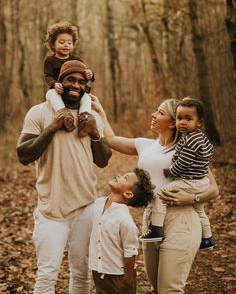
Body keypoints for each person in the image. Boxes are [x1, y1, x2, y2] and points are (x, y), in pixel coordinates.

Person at [90, 96, 219, 293]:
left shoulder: (187, 149)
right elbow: (111, 139)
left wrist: (191, 198)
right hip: (151, 221)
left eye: (160, 112)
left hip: (181, 220)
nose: (153, 114)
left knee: (169, 289)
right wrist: (101, 111)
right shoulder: (145, 145)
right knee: (156, 288)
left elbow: (213, 189)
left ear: (174, 122)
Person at [16, 60, 112, 294]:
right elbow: (23, 154)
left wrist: (95, 132)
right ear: (59, 83)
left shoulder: (90, 117)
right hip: (51, 209)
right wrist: (53, 127)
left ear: (86, 86)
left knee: (81, 274)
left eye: (81, 81)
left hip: (86, 207)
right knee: (47, 275)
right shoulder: (39, 112)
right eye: (70, 79)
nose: (76, 85)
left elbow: (103, 160)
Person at [140, 98, 215, 250]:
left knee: (161, 193)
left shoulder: (191, 141)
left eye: (188, 119)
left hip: (190, 180)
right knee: (200, 210)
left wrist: (170, 171)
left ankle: (156, 228)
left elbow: (183, 163)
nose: (182, 122)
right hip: (200, 181)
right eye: (179, 118)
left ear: (199, 122)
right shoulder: (199, 138)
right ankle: (207, 239)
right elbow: (209, 153)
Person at [89, 168, 155, 294]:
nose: (119, 175)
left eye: (125, 178)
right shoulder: (98, 204)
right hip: (99, 269)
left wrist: (126, 281)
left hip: (119, 275)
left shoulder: (125, 221)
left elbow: (130, 253)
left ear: (128, 194)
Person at [44, 21, 95, 136]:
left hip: (74, 91)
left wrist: (89, 74)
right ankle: (64, 115)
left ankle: (84, 119)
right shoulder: (50, 60)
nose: (66, 45)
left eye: (69, 42)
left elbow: (84, 73)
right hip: (59, 90)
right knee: (51, 95)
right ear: (53, 44)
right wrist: (54, 84)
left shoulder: (76, 59)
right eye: (62, 42)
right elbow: (48, 75)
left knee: (86, 98)